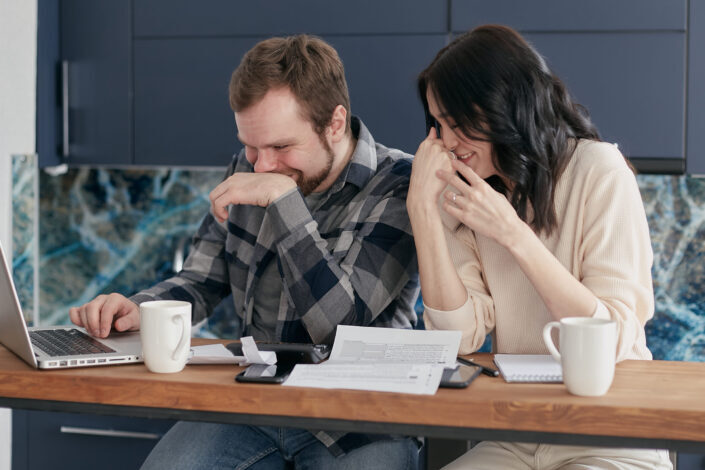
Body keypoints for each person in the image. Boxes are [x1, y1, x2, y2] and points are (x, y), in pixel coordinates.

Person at [69, 35, 421, 470]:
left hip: (362, 416)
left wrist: (283, 202)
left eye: (280, 147)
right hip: (255, 398)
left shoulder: (400, 184)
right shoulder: (248, 166)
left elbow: (339, 326)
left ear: (334, 122)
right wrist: (138, 310)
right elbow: (201, 279)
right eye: (251, 146)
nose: (261, 165)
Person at [407, 24, 672, 469]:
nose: (447, 142)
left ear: (506, 108)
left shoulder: (599, 172)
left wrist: (513, 234)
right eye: (438, 124)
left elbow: (611, 337)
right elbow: (459, 338)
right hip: (518, 432)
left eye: (457, 123)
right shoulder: (467, 195)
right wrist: (423, 211)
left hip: (610, 429)